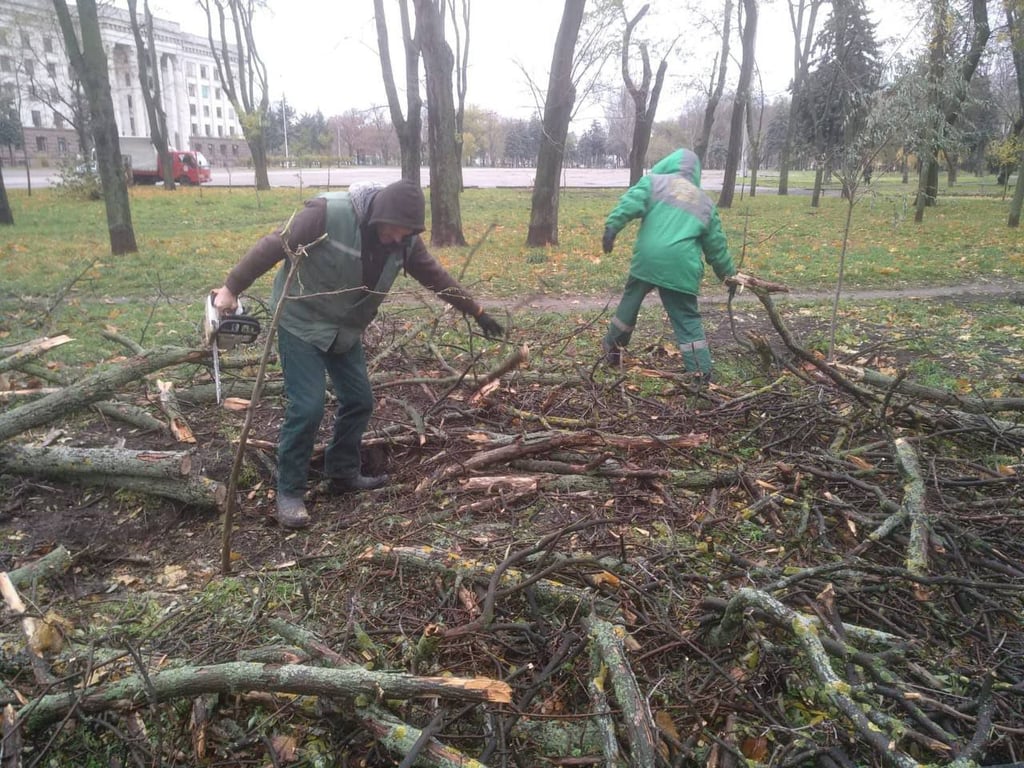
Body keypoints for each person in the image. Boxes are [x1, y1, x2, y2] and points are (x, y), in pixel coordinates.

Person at [212, 179, 504, 529]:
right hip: (300, 323)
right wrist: (231, 288)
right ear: (378, 214)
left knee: (360, 400)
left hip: (343, 330)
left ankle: (342, 472)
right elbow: (275, 244)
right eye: (395, 230)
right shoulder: (325, 213)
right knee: (307, 406)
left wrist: (477, 311)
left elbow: (436, 277)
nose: (398, 238)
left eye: (406, 233)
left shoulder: (405, 242)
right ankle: (289, 492)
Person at [600, 148, 739, 381]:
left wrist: (612, 227)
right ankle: (700, 370)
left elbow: (630, 202)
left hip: (648, 259)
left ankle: (613, 348)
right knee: (686, 318)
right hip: (681, 267)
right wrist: (728, 274)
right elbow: (716, 246)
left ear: (668, 163)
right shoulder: (704, 202)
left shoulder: (654, 182)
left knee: (629, 304)